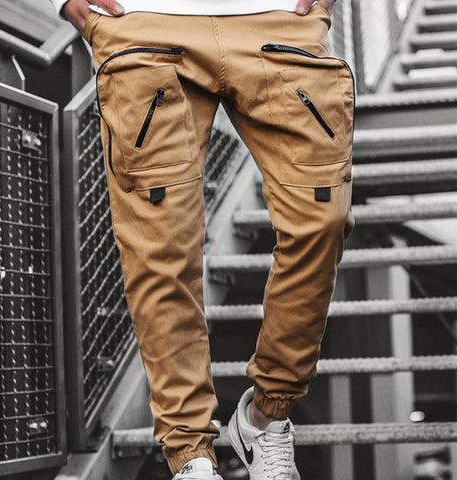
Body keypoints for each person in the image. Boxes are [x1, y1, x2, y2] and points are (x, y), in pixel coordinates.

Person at [51, 0, 353, 478]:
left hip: (280, 21)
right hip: (145, 23)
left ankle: (266, 416)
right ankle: (190, 453)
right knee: (160, 250)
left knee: (322, 222)